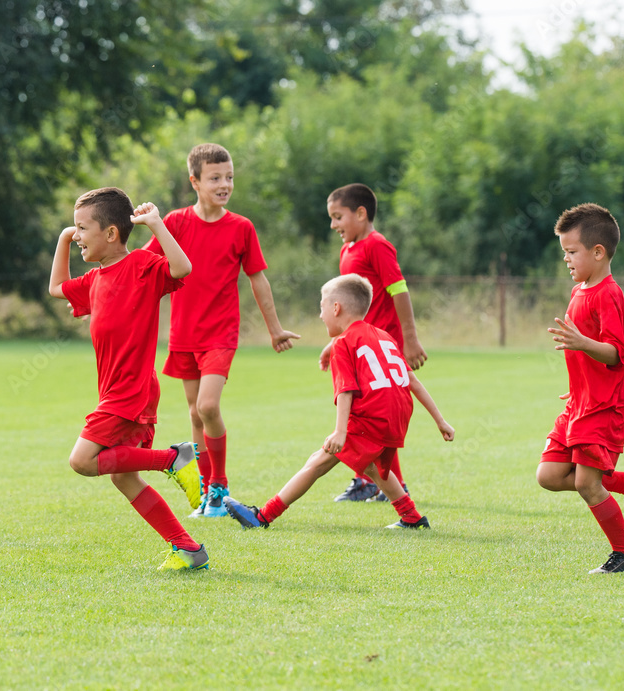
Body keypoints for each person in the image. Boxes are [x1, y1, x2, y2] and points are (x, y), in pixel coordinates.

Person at [48, 187, 209, 570]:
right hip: (118, 391)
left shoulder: (141, 265)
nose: (78, 236)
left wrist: (156, 223)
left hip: (130, 391)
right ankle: (187, 548)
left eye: (82, 228)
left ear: (111, 234)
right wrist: (62, 239)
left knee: (82, 461)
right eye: (75, 228)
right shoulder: (94, 280)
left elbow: (182, 268)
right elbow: (56, 288)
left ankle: (174, 458)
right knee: (124, 479)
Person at [224, 274, 454, 531]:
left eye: (322, 307)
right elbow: (413, 382)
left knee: (318, 461)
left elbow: (346, 390)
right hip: (397, 417)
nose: (321, 315)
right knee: (372, 466)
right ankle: (412, 518)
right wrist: (440, 420)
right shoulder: (383, 336)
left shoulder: (344, 342)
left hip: (373, 416)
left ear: (336, 308)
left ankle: (262, 516)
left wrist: (340, 431)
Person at [143, 143, 300, 519]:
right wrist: (96, 297)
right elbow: (144, 267)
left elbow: (258, 281)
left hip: (221, 334)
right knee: (196, 416)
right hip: (183, 335)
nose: (224, 184)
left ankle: (220, 486)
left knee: (208, 406)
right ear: (194, 181)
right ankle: (208, 494)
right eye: (215, 178)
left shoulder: (241, 228)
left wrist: (275, 329)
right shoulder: (176, 223)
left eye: (229, 177)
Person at [538, 203, 624, 574]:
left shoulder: (608, 293)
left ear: (598, 251)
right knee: (550, 476)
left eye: (571, 252)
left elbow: (615, 355)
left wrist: (582, 342)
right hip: (579, 403)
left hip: (605, 406)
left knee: (589, 483)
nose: (567, 260)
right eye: (564, 253)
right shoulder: (579, 291)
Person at [322, 183, 427, 503]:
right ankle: (371, 481)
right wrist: (336, 342)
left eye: (338, 217)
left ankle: (384, 483)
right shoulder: (347, 250)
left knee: (370, 416)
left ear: (361, 213)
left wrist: (409, 339)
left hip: (382, 347)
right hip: (357, 346)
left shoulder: (377, 245)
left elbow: (399, 291)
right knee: (363, 415)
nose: (333, 225)